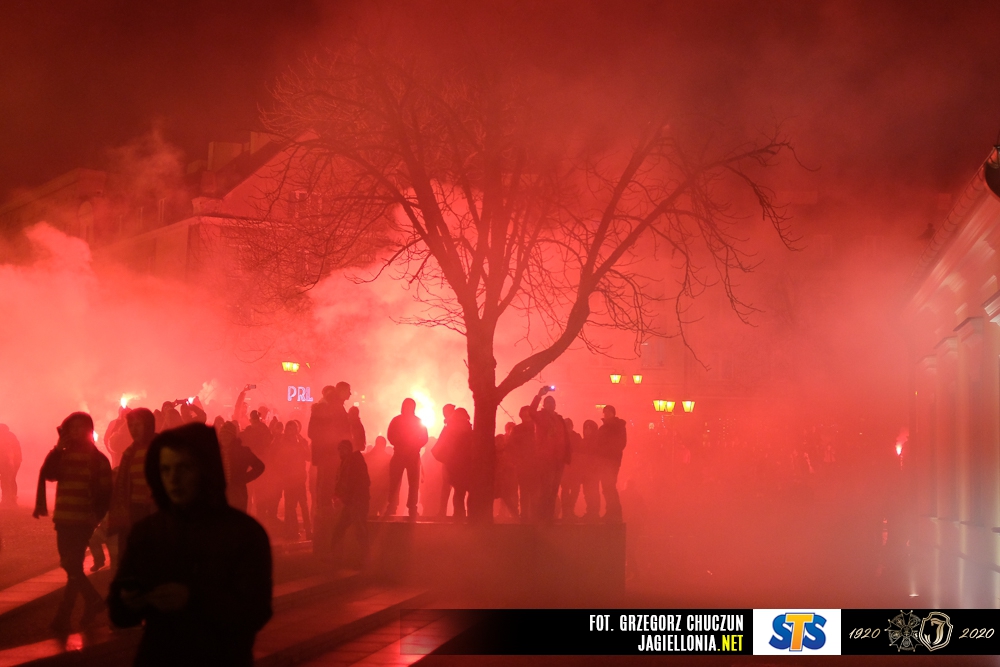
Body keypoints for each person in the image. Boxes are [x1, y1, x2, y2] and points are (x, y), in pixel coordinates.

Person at [108, 423, 273, 666]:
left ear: (205, 469)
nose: (173, 479)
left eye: (184, 468)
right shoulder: (148, 531)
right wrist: (128, 600)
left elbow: (255, 611)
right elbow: (119, 612)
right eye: (165, 469)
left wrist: (193, 599)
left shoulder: (243, 533)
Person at [33, 412, 113, 632]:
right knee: (72, 567)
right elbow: (49, 474)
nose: (75, 431)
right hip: (63, 519)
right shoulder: (63, 455)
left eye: (80, 427)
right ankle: (90, 604)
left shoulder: (98, 460)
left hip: (83, 521)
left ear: (89, 431)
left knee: (72, 565)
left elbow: (105, 493)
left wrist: (96, 516)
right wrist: (57, 450)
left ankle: (65, 614)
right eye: (72, 428)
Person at [108, 408, 158, 562]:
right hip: (134, 510)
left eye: (138, 425)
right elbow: (123, 485)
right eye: (131, 425)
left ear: (148, 425)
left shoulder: (161, 447)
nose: (133, 430)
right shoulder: (129, 453)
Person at [308, 383, 353, 552]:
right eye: (348, 391)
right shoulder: (330, 408)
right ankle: (326, 529)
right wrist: (336, 445)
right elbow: (316, 432)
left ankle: (325, 525)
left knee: (327, 489)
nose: (350, 394)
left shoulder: (330, 407)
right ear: (340, 391)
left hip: (331, 455)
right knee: (327, 489)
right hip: (330, 456)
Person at [528, 386, 570, 524]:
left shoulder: (559, 419)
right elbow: (531, 411)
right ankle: (542, 517)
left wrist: (565, 455)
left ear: (555, 405)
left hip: (558, 459)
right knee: (546, 488)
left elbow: (564, 438)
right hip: (545, 458)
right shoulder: (541, 416)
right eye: (548, 403)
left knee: (553, 489)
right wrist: (539, 395)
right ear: (544, 405)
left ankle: (549, 516)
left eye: (552, 403)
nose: (551, 405)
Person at [385, 398, 428, 518]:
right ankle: (408, 508)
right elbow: (424, 438)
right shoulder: (417, 421)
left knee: (400, 483)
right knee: (407, 483)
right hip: (409, 455)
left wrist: (401, 444)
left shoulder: (397, 420)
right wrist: (415, 446)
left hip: (403, 454)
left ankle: (395, 507)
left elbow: (390, 435)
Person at [330, 439, 370, 565]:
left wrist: (346, 497)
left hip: (356, 502)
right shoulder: (347, 462)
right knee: (342, 528)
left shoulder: (353, 461)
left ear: (348, 449)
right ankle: (335, 556)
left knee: (358, 530)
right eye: (339, 450)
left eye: (343, 449)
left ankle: (366, 558)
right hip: (351, 502)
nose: (340, 452)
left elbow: (354, 482)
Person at [433, 408, 474, 519]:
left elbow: (439, 447)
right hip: (459, 465)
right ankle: (462, 516)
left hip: (456, 465)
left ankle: (458, 516)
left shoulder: (450, 428)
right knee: (462, 491)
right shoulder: (466, 429)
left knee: (459, 491)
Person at [218, 421, 264, 512]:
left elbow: (260, 466)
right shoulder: (215, 451)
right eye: (222, 435)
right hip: (220, 493)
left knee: (237, 519)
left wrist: (244, 478)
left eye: (227, 435)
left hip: (237, 493)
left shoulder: (242, 451)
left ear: (232, 437)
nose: (224, 438)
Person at [277, 420, 311, 539]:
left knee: (303, 505)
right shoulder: (283, 443)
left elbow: (308, 457)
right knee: (291, 507)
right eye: (289, 429)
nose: (291, 431)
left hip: (299, 479)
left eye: (293, 429)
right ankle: (294, 531)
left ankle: (308, 531)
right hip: (289, 480)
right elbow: (281, 460)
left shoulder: (301, 441)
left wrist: (302, 444)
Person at [596, 405, 627, 523]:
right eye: (605, 412)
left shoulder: (619, 427)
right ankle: (611, 512)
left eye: (609, 412)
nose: (606, 414)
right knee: (606, 487)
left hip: (612, 461)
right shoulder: (603, 428)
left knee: (610, 486)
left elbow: (621, 443)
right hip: (604, 461)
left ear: (613, 413)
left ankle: (615, 513)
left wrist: (608, 451)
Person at [507, 406, 538, 522]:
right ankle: (525, 515)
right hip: (523, 466)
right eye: (524, 415)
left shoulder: (537, 428)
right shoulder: (517, 429)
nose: (526, 417)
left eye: (528, 414)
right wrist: (517, 461)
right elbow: (510, 447)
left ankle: (534, 515)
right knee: (524, 491)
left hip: (535, 465)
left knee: (535, 491)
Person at [559, 417, 584, 520]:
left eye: (569, 426)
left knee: (575, 490)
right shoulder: (560, 437)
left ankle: (570, 510)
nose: (568, 428)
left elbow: (581, 451)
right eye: (566, 426)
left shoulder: (577, 437)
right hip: (564, 469)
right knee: (565, 490)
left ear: (572, 426)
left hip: (575, 468)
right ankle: (566, 512)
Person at [494, 423, 519, 520]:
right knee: (505, 497)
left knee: (509, 497)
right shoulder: (496, 452)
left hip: (509, 477)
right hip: (500, 478)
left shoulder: (510, 447)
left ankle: (514, 515)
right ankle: (508, 514)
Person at [578, 419, 602, 521]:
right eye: (586, 428)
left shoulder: (597, 443)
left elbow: (597, 457)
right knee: (586, 493)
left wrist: (593, 468)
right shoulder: (583, 442)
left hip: (593, 472)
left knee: (594, 492)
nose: (587, 430)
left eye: (589, 428)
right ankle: (590, 511)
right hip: (585, 472)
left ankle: (594, 513)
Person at [363, 435, 391, 518]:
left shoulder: (367, 457)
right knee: (383, 516)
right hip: (382, 491)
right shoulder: (388, 459)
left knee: (371, 514)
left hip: (371, 490)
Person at [0, 424, 22, 508]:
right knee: (9, 480)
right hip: (11, 461)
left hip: (11, 461)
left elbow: (9, 452)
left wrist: (11, 462)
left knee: (7, 480)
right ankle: (9, 500)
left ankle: (8, 500)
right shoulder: (10, 436)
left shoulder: (7, 438)